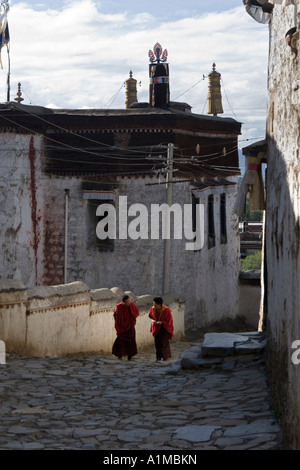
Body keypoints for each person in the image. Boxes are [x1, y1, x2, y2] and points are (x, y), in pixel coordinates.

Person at [112, 295, 140, 361]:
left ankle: (129, 358)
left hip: (130, 327)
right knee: (120, 341)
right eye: (127, 302)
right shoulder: (119, 307)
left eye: (129, 301)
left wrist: (132, 318)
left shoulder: (132, 305)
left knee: (131, 342)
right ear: (123, 302)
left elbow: (137, 313)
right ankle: (120, 356)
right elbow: (116, 315)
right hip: (122, 327)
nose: (128, 303)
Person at [149, 296, 174, 362]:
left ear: (159, 304)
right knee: (157, 342)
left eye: (155, 304)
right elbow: (150, 316)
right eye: (153, 304)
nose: (153, 305)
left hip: (164, 328)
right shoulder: (153, 309)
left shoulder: (166, 310)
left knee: (164, 343)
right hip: (156, 327)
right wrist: (153, 321)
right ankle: (158, 356)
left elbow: (169, 321)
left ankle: (165, 356)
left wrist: (162, 322)